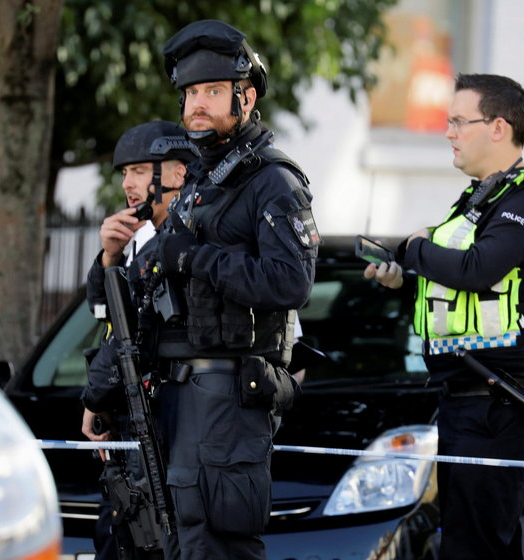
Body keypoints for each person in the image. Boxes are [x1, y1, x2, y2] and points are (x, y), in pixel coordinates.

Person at [364, 73, 524, 559]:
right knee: (481, 544)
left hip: (508, 401)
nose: (449, 132)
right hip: (469, 397)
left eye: (459, 121)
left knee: (472, 549)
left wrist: (416, 250)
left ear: (498, 127)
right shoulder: (480, 200)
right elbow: (456, 277)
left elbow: (479, 269)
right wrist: (404, 271)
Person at [133, 19, 317, 560]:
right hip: (175, 394)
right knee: (180, 540)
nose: (197, 104)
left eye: (212, 91)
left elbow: (292, 281)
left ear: (246, 97)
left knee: (217, 544)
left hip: (227, 396)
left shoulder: (274, 181)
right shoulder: (198, 183)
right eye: (191, 93)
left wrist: (196, 257)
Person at [80, 120, 198, 560]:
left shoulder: (180, 240)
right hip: (130, 415)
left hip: (163, 423)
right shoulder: (140, 237)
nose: (127, 184)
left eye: (137, 170)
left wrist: (94, 398)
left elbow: (137, 333)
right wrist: (108, 258)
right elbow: (104, 315)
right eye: (123, 173)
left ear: (176, 174)